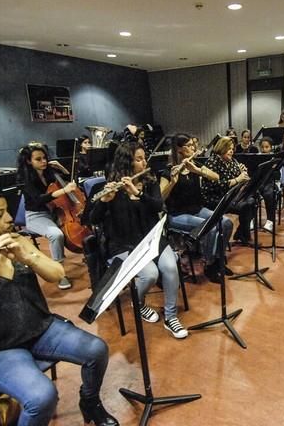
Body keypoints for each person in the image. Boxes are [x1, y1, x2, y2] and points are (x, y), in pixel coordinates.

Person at [0, 181, 118, 426]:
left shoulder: (13, 240)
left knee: (96, 350)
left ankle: (90, 402)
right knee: (42, 397)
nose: (9, 218)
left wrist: (28, 257)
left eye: (6, 210)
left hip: (39, 328)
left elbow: (57, 273)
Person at [90, 142, 188, 338]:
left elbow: (158, 206)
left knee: (170, 267)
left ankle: (170, 317)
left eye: (144, 158)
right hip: (123, 243)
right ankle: (140, 302)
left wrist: (138, 193)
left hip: (151, 239)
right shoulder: (107, 187)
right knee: (150, 274)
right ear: (127, 162)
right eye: (139, 159)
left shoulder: (150, 182)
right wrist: (104, 201)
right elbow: (92, 220)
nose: (144, 162)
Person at [160, 134, 233, 283]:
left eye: (193, 144)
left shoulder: (194, 165)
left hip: (197, 209)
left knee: (226, 223)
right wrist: (173, 182)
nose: (194, 148)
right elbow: (160, 197)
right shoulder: (168, 171)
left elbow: (216, 177)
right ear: (179, 149)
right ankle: (210, 265)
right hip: (177, 215)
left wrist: (197, 171)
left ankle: (218, 260)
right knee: (211, 228)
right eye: (189, 145)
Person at [16, 143, 75, 290]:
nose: (44, 161)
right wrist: (62, 191)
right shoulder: (24, 178)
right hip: (35, 215)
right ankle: (60, 273)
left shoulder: (49, 172)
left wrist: (61, 168)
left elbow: (68, 180)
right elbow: (38, 199)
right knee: (56, 235)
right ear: (29, 161)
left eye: (45, 158)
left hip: (54, 211)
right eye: (38, 159)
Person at [201, 137, 252, 244]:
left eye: (232, 149)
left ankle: (241, 233)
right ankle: (244, 236)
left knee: (252, 201)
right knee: (245, 206)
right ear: (221, 148)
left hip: (228, 196)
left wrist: (243, 174)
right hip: (215, 199)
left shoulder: (232, 161)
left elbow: (239, 180)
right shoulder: (212, 162)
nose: (231, 151)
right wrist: (238, 179)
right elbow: (217, 185)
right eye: (229, 148)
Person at [258, 136, 278, 232]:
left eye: (267, 147)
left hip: (270, 183)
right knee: (250, 195)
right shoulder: (257, 158)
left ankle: (270, 221)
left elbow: (278, 175)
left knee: (269, 194)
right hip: (258, 183)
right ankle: (251, 219)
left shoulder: (274, 158)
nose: (264, 149)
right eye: (262, 147)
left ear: (271, 148)